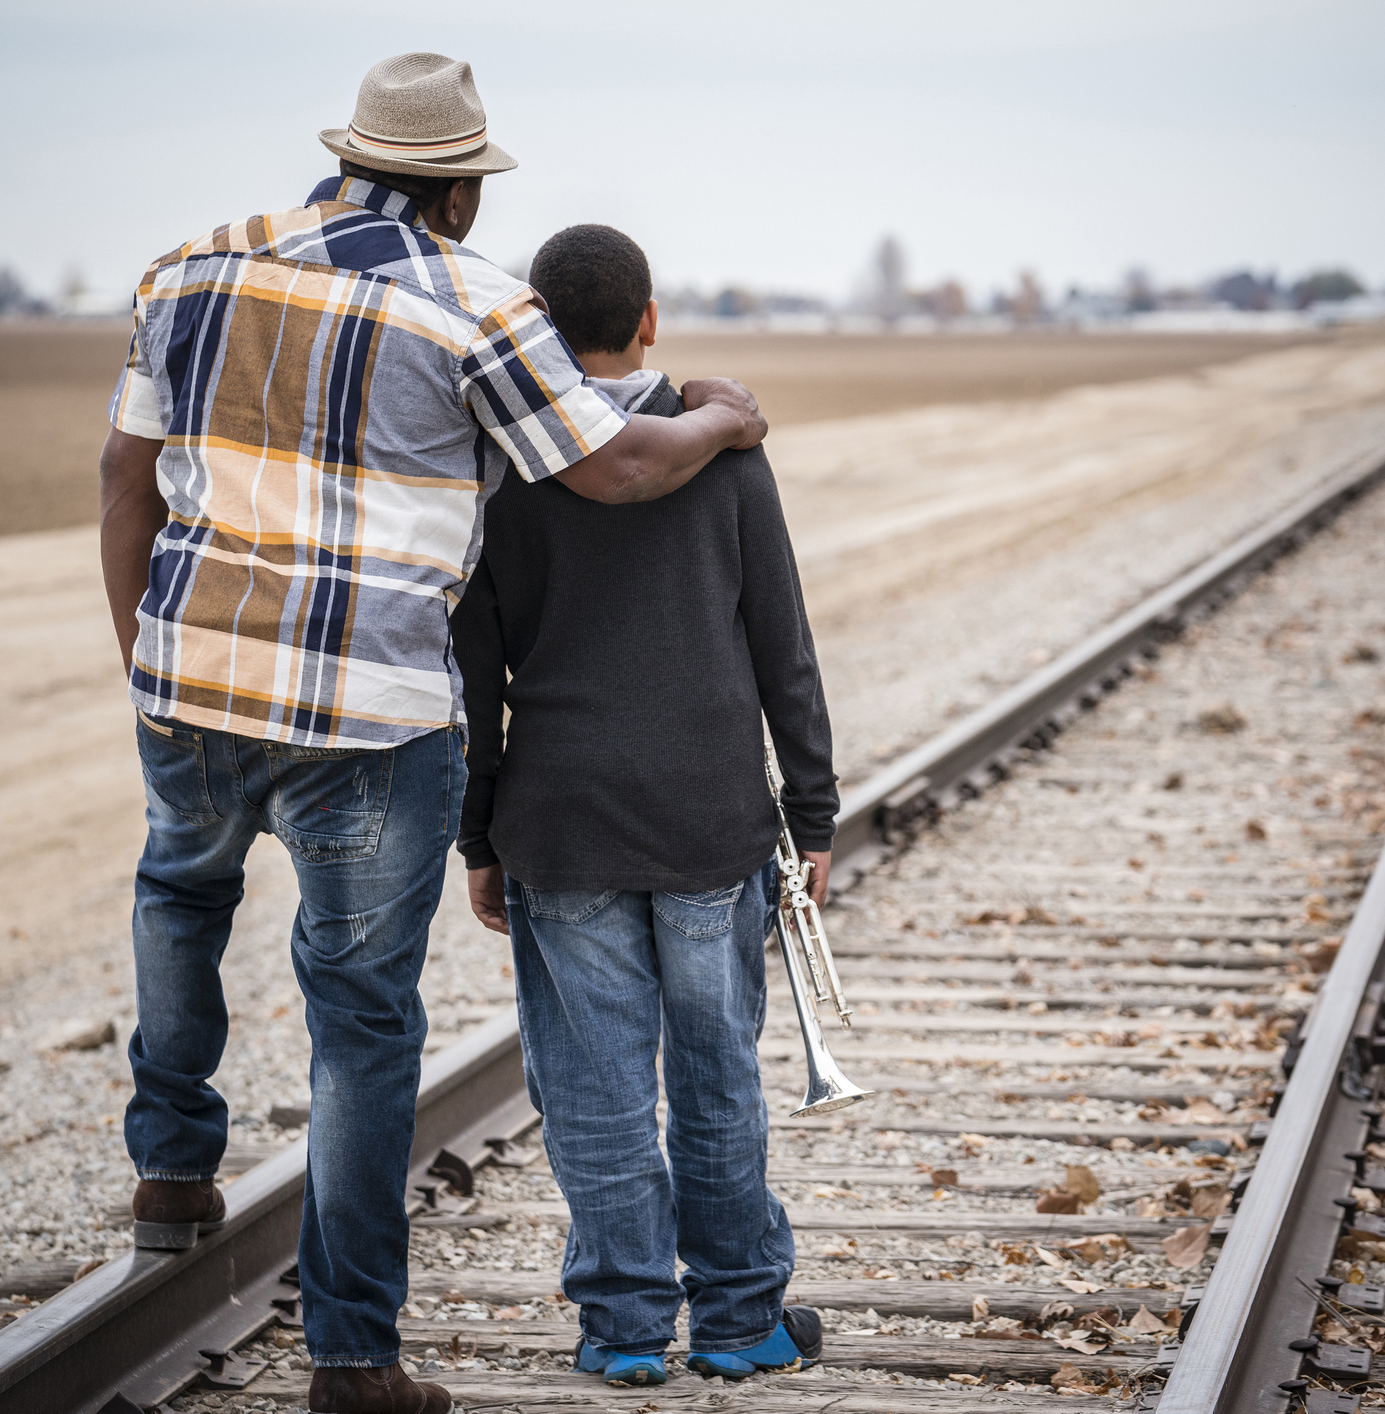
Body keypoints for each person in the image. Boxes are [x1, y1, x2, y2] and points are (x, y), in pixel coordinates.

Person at [95, 57, 768, 1414]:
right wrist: (723, 418)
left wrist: (147, 665)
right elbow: (612, 463)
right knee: (361, 1028)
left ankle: (170, 1164)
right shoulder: (474, 301)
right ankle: (352, 1361)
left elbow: (126, 482)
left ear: (348, 157)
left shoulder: (189, 266)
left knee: (178, 895)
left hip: (194, 680)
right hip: (371, 720)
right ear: (460, 188)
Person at [450, 224, 837, 1388]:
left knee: (592, 1082)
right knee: (716, 1068)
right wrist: (811, 814)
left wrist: (476, 835)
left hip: (558, 820)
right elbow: (784, 645)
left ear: (538, 328)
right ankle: (735, 1322)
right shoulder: (725, 451)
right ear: (650, 319)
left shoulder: (503, 459)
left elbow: (474, 673)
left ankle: (622, 1329)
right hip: (708, 817)